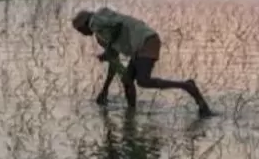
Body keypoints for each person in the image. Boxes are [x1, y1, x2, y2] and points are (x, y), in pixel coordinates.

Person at [72, 7, 215, 118]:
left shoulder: (95, 22)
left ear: (84, 24)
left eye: (79, 30)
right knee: (127, 80)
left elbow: (117, 26)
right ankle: (131, 112)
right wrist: (105, 90)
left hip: (145, 43)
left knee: (143, 80)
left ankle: (186, 86)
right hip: (144, 42)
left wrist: (108, 49)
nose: (81, 33)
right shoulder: (101, 26)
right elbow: (114, 62)